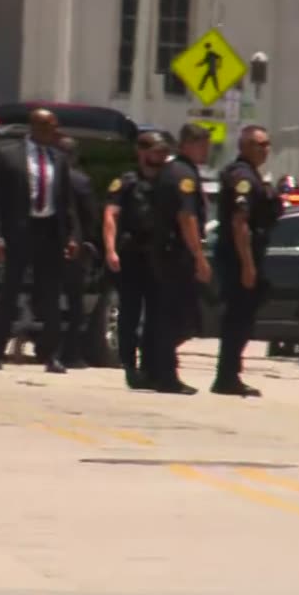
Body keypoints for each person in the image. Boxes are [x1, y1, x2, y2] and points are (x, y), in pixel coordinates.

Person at [0, 108, 80, 374]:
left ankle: (50, 356)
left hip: (49, 232)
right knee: (10, 292)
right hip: (18, 232)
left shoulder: (59, 159)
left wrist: (71, 235)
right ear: (36, 126)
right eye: (51, 125)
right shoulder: (7, 155)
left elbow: (66, 202)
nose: (56, 130)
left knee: (50, 296)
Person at [212, 125, 282, 397]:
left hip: (244, 256)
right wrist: (247, 265)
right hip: (239, 258)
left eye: (267, 144)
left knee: (242, 317)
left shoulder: (253, 176)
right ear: (243, 147)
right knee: (237, 318)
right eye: (258, 145)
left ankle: (229, 374)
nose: (264, 150)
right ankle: (227, 376)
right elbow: (240, 222)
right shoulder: (243, 177)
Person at [147, 123, 213, 394]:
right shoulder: (183, 173)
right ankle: (164, 373)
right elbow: (186, 217)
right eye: (202, 145)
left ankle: (155, 367)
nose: (206, 150)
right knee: (181, 319)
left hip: (166, 252)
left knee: (169, 316)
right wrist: (199, 257)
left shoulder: (172, 170)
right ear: (187, 144)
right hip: (176, 255)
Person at [103, 129, 170, 389]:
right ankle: (130, 365)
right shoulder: (126, 182)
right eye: (156, 151)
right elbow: (111, 216)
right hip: (132, 255)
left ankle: (151, 365)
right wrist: (110, 250)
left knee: (157, 313)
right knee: (129, 313)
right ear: (142, 152)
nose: (161, 156)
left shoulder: (167, 181)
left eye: (164, 152)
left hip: (159, 254)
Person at [56, 135, 98, 370]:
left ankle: (49, 349)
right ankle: (70, 353)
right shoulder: (80, 181)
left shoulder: (48, 178)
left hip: (49, 246)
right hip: (75, 248)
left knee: (50, 300)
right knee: (74, 304)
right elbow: (90, 215)